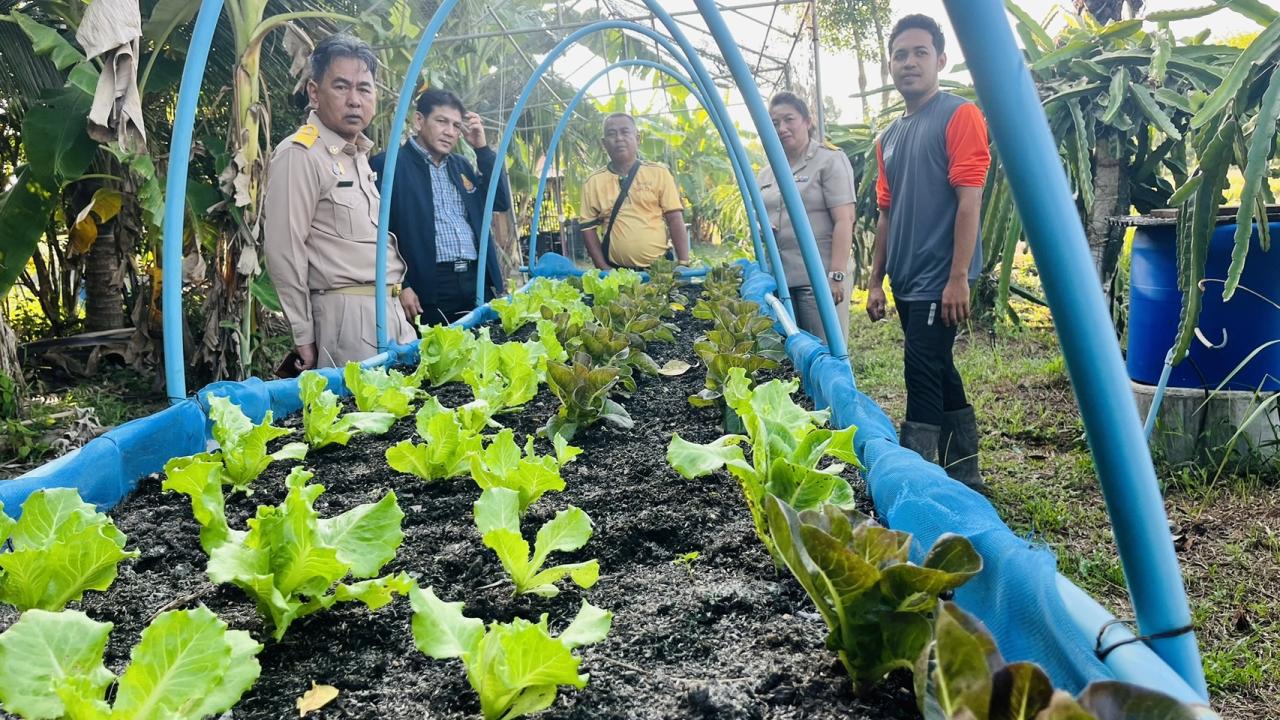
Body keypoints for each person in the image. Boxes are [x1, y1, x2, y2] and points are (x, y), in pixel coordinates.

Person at [865, 14, 991, 490]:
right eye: (900, 54)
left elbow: (969, 199)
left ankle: (920, 485)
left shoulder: (959, 115)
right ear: (890, 65)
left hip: (943, 275)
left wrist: (959, 275)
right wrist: (875, 281)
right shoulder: (889, 138)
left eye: (920, 52)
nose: (909, 62)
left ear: (940, 60)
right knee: (937, 365)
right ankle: (967, 472)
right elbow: (886, 215)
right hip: (905, 276)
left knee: (919, 368)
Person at [263, 34, 417, 371]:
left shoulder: (357, 155)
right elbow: (284, 249)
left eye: (364, 88)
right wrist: (303, 334)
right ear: (314, 93)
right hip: (348, 319)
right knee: (361, 419)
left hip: (390, 312)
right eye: (341, 87)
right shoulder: (300, 154)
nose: (354, 100)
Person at [371, 89, 511, 326]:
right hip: (430, 284)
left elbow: (498, 202)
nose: (450, 132)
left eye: (456, 126)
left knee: (484, 348)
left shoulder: (461, 166)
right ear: (419, 120)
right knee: (438, 355)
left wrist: (482, 149)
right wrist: (400, 285)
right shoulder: (390, 165)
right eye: (441, 121)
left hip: (474, 277)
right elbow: (375, 232)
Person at [756, 91, 856, 346]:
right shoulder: (767, 172)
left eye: (789, 119)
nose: (782, 128)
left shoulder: (828, 160)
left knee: (826, 351)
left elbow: (845, 220)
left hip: (818, 280)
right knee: (795, 355)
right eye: (775, 123)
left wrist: (836, 276)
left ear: (807, 121)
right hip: (782, 280)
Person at [579, 113, 691, 270]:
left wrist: (683, 263)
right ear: (604, 143)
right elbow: (588, 229)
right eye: (612, 134)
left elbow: (674, 218)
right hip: (616, 271)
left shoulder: (659, 173)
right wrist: (604, 268)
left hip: (659, 271)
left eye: (625, 132)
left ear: (637, 139)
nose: (619, 138)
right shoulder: (593, 182)